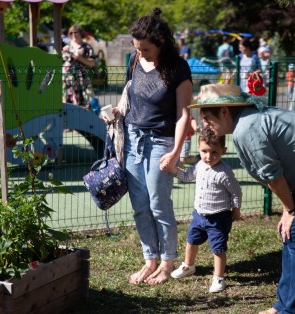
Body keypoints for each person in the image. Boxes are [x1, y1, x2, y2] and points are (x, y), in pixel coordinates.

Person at [190, 83, 295, 314]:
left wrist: (290, 211)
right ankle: (283, 306)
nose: (204, 124)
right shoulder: (246, 120)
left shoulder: (246, 128)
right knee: (290, 233)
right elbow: (276, 175)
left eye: (207, 117)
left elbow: (273, 176)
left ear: (225, 111)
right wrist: (287, 209)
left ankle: (293, 310)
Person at [103, 8, 192, 285]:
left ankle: (167, 264)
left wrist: (175, 153)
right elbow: (129, 92)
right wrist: (116, 111)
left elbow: (184, 115)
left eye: (146, 49)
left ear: (161, 43)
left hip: (161, 142)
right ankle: (149, 260)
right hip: (132, 139)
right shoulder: (135, 60)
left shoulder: (178, 68)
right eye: (137, 48)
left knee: (158, 203)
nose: (141, 54)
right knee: (140, 206)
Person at [166, 127, 242, 293]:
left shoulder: (224, 173)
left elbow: (236, 191)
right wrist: (173, 170)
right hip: (199, 215)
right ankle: (188, 266)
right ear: (199, 149)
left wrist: (236, 210)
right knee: (191, 240)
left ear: (224, 150)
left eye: (214, 152)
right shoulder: (200, 165)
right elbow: (186, 176)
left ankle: (219, 278)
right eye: (204, 151)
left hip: (219, 218)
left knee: (218, 248)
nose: (209, 156)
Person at [62, 25, 96, 108]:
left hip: (82, 78)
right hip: (68, 78)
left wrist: (80, 58)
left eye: (75, 32)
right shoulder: (66, 46)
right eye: (71, 32)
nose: (73, 34)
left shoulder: (87, 47)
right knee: (67, 101)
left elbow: (92, 63)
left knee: (85, 101)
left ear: (81, 33)